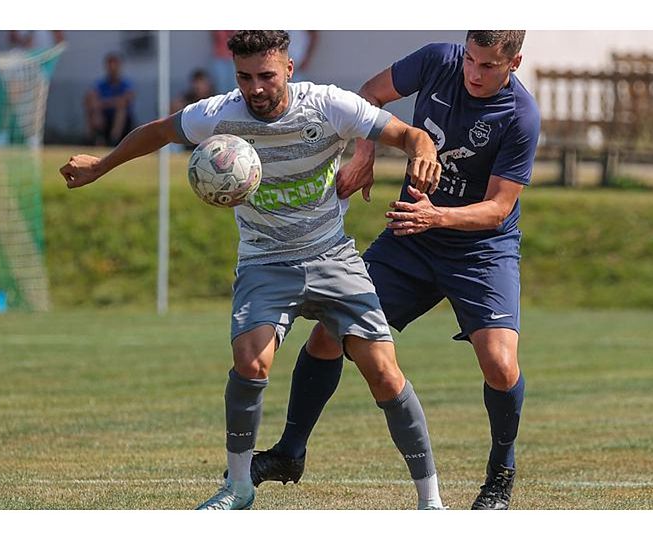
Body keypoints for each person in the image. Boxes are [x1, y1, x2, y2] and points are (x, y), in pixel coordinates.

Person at [59, 31, 446, 511]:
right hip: (265, 258)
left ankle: (431, 503)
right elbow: (158, 131)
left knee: (384, 372)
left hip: (332, 256)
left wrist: (422, 151)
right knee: (251, 360)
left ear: (288, 68)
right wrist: (102, 165)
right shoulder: (221, 114)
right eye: (245, 77)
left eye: (266, 75)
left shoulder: (328, 106)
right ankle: (238, 487)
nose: (256, 88)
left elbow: (410, 134)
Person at [249, 30, 540, 511]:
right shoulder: (435, 61)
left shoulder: (521, 116)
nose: (473, 72)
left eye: (488, 65)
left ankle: (500, 474)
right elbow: (368, 95)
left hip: (481, 250)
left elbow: (497, 209)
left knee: (501, 365)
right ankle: (289, 452)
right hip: (411, 240)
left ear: (514, 62)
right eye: (469, 59)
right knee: (329, 331)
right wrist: (366, 154)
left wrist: (438, 216)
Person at [84, 52, 135, 146]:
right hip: (103, 115)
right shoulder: (100, 84)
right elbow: (91, 97)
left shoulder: (126, 83)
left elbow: (125, 100)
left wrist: (104, 103)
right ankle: (93, 139)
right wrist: (99, 108)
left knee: (121, 110)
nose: (112, 68)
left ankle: (113, 139)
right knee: (92, 108)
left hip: (122, 119)